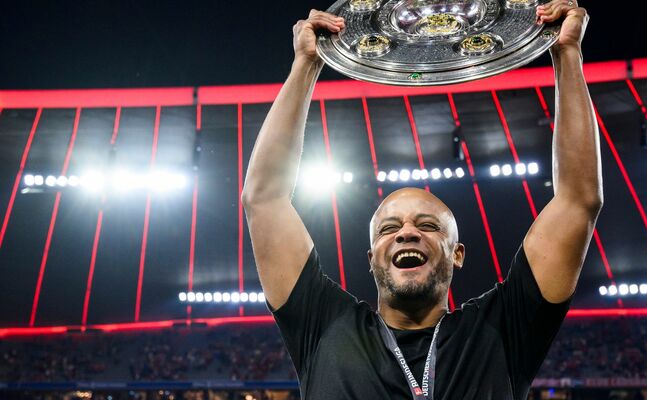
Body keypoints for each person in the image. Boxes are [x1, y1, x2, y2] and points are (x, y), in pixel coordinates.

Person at [241, 0, 601, 398]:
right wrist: (305, 65)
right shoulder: (323, 324)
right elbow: (264, 199)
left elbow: (577, 200)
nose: (406, 234)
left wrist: (568, 54)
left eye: (427, 225)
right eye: (388, 229)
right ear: (371, 256)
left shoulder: (502, 330)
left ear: (457, 253)